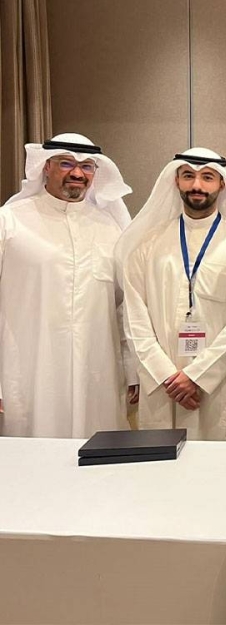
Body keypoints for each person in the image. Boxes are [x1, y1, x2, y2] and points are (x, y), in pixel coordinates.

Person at [0, 133, 136, 437]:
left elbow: (124, 309)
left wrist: (132, 371)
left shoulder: (112, 228)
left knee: (96, 454)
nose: (77, 173)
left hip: (98, 374)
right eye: (66, 163)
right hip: (27, 375)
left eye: (87, 166)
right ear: (45, 166)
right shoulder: (9, 222)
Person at [117, 148, 226, 440]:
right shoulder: (148, 244)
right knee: (162, 463)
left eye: (207, 177)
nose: (197, 185)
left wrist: (197, 376)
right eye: (188, 176)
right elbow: (135, 319)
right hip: (163, 386)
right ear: (176, 181)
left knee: (221, 462)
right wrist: (168, 376)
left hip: (220, 385)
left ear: (222, 184)